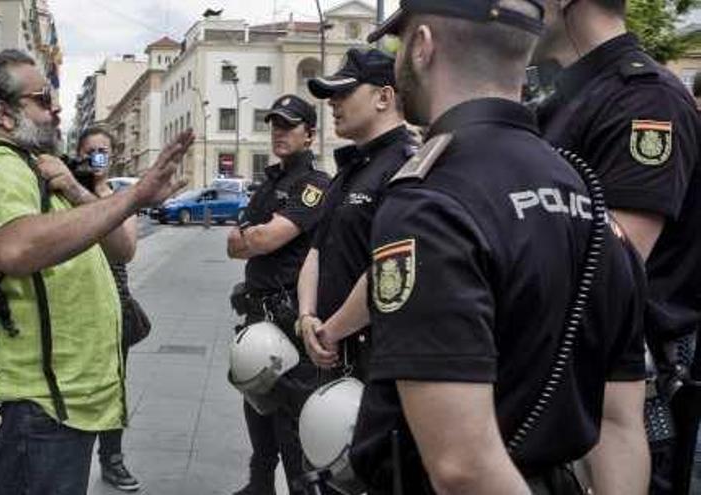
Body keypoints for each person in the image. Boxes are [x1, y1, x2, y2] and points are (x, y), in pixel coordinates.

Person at [333, 1, 650, 493]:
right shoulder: (585, 194)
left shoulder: (429, 203)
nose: (396, 60)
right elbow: (620, 425)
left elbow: (462, 466)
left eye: (398, 45)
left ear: (422, 47)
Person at [0, 49, 193, 495]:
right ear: (4, 113)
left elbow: (119, 247)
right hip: (21, 410)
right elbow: (16, 247)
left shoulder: (35, 170)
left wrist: (105, 195)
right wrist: (131, 199)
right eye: (42, 98)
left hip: (48, 409)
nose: (55, 108)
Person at [533, 2, 701, 492]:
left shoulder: (644, 99)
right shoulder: (570, 97)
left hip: (631, 396)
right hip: (579, 384)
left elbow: (611, 264)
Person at [226, 94, 331, 495]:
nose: (279, 133)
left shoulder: (315, 184)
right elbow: (234, 244)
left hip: (289, 317)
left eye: (288, 125)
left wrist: (255, 236)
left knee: (290, 420)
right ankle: (259, 485)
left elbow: (265, 238)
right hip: (257, 314)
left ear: (309, 135)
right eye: (274, 125)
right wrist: (253, 237)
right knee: (256, 404)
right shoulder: (270, 182)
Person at [297, 48, 416, 381]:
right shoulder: (350, 169)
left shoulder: (406, 165)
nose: (332, 103)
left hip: (373, 360)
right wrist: (307, 316)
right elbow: (316, 251)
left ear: (384, 97)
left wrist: (329, 331)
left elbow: (389, 269)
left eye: (344, 92)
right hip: (328, 349)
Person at [74, 126, 142, 492]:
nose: (97, 157)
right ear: (79, 154)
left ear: (112, 157)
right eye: (90, 151)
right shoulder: (61, 193)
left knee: (113, 387)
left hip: (113, 308)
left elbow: (127, 248)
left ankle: (112, 459)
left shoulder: (120, 197)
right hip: (72, 309)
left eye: (103, 150)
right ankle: (71, 459)